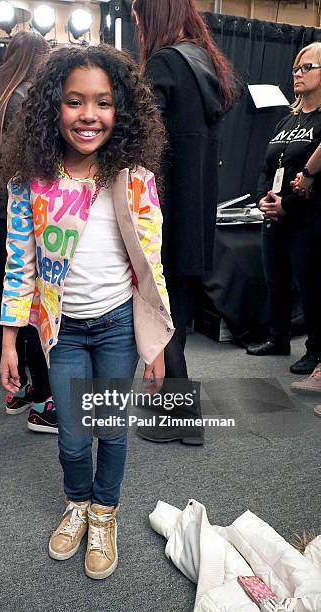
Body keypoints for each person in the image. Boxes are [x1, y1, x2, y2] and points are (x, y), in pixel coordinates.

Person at [0, 44, 173, 579]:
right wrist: (8, 340)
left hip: (119, 325)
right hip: (64, 332)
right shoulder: (32, 181)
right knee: (73, 434)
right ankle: (78, 502)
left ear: (121, 110)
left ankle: (104, 512)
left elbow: (152, 264)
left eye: (102, 102)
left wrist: (157, 344)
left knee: (111, 431)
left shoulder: (134, 177)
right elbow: (18, 263)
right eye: (74, 102)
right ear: (54, 107)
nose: (88, 115)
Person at [132, 0, 238, 444]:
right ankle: (178, 402)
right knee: (178, 306)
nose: (136, 24)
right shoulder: (204, 63)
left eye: (138, 16)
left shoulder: (164, 65)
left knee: (162, 306)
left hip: (164, 208)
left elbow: (143, 141)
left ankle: (182, 411)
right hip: (197, 210)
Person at [0, 31, 55, 433]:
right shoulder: (23, 99)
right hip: (14, 211)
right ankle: (41, 399)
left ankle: (19, 389)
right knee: (31, 304)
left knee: (11, 300)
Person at [245, 42, 321, 377]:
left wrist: (287, 205)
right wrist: (263, 199)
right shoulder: (286, 121)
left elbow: (315, 176)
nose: (298, 74)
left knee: (310, 285)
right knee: (275, 280)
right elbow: (267, 165)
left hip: (306, 218)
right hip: (274, 215)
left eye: (307, 68)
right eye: (295, 69)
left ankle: (315, 351)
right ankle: (278, 338)